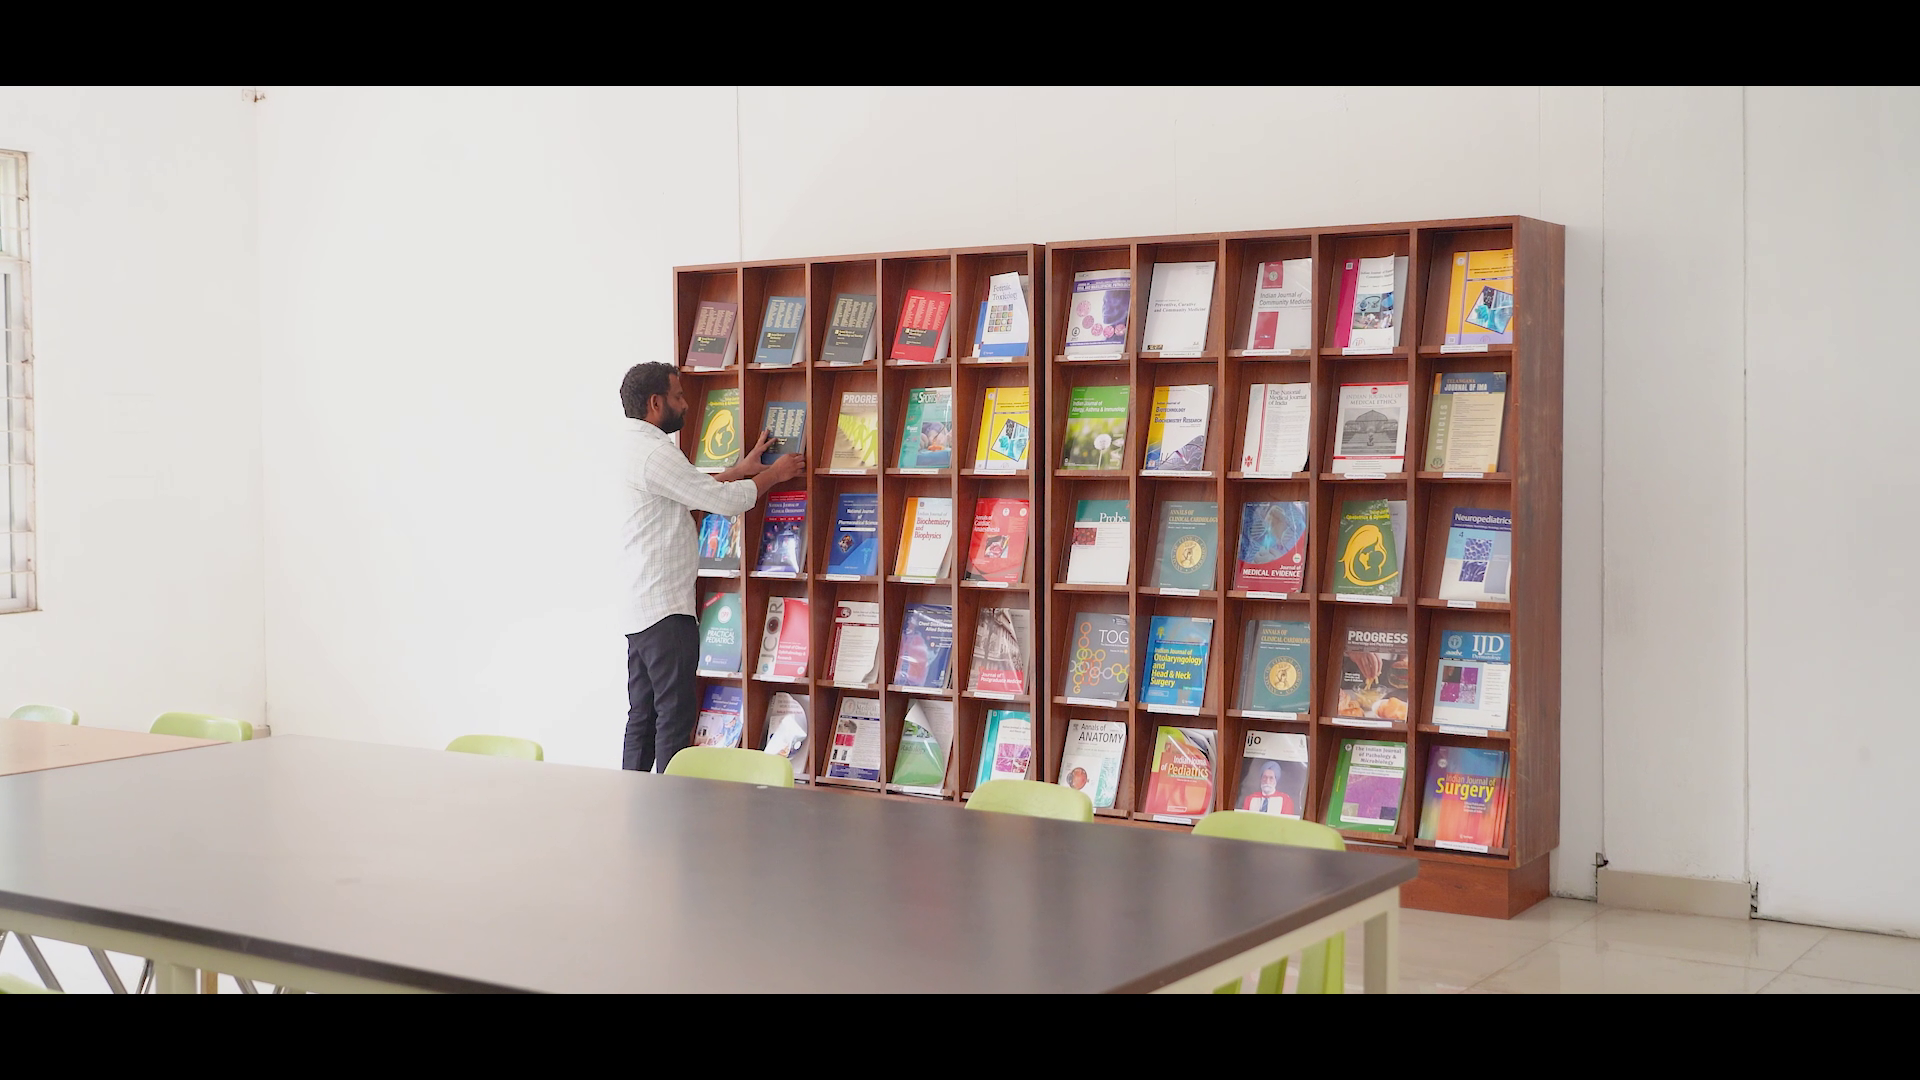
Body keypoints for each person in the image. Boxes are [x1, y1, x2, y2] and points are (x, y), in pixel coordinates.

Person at [619, 362, 804, 772]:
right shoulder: (655, 452)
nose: (686, 405)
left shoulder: (628, 446)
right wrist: (774, 475)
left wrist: (738, 471)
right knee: (674, 716)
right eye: (678, 396)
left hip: (639, 606)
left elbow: (686, 494)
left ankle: (632, 798)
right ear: (655, 403)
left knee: (642, 716)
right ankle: (672, 802)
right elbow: (722, 502)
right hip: (666, 610)